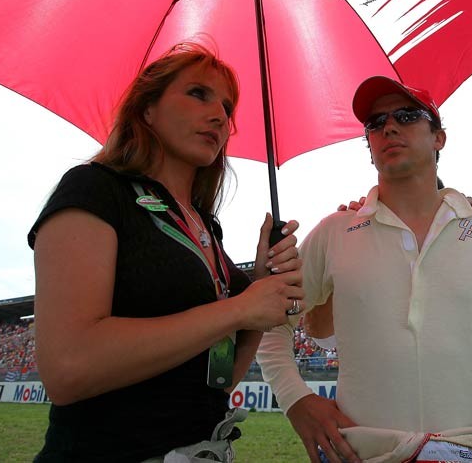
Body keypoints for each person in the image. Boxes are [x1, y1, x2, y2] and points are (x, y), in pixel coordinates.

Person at [257, 76, 472, 463]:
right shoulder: (334, 231)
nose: (389, 127)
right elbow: (271, 324)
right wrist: (297, 401)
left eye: (407, 115)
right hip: (363, 453)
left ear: (439, 138)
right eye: (375, 124)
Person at [28, 43, 304, 462]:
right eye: (198, 93)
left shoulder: (207, 226)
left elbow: (219, 380)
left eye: (227, 107)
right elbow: (68, 368)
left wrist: (263, 289)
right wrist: (240, 309)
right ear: (146, 109)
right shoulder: (95, 188)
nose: (219, 115)